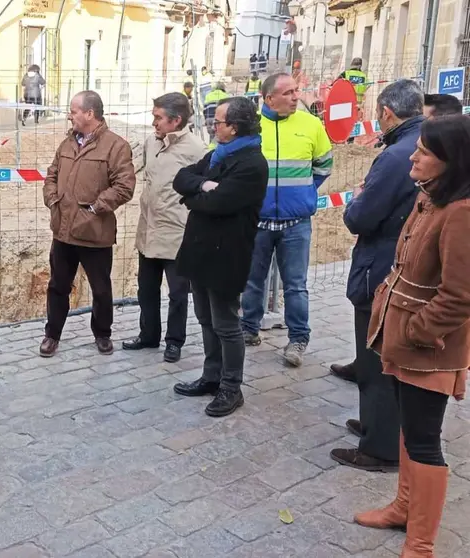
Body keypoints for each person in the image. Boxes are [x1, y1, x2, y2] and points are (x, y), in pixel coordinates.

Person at [352, 114, 470, 558]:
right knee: (408, 429)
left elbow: (460, 295)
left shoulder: (461, 213)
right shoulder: (432, 199)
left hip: (429, 347)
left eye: (425, 151)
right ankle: (403, 507)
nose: (414, 156)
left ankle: (421, 543)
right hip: (402, 338)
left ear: (451, 160)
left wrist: (419, 331)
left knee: (424, 439)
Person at [329, 80, 424, 473]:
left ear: (386, 113)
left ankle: (379, 447)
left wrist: (354, 200)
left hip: (382, 270)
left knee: (376, 361)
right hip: (408, 268)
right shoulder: (428, 142)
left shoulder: (396, 155)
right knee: (391, 359)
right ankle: (379, 429)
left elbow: (361, 218)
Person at [171, 97, 269, 417]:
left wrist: (194, 197)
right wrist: (203, 186)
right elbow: (181, 178)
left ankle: (231, 386)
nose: (214, 126)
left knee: (226, 324)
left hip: (227, 255)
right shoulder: (217, 155)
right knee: (205, 318)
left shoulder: (252, 163)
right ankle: (211, 376)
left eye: (219, 122)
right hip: (201, 252)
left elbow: (219, 203)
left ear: (235, 127)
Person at [241, 73, 333, 367]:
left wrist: (301, 196)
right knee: (252, 280)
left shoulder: (311, 124)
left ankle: (297, 339)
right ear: (269, 99)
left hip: (296, 223)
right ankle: (249, 329)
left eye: (297, 91)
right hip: (257, 221)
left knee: (295, 285)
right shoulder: (250, 127)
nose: (296, 97)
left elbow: (324, 166)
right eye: (288, 93)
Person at [40, 90, 136, 357]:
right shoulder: (67, 144)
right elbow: (51, 175)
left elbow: (124, 186)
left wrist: (95, 207)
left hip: (95, 232)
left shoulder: (116, 146)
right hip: (63, 232)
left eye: (73, 111)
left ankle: (103, 333)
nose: (70, 116)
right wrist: (52, 200)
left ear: (90, 114)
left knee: (101, 289)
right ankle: (52, 335)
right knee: (58, 286)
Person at [126, 93, 205, 363]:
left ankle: (174, 341)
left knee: (178, 293)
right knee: (146, 288)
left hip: (177, 234)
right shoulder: (151, 142)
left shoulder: (197, 149)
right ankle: (148, 335)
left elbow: (205, 188)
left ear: (176, 120)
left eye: (158, 117)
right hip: (148, 230)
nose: (153, 122)